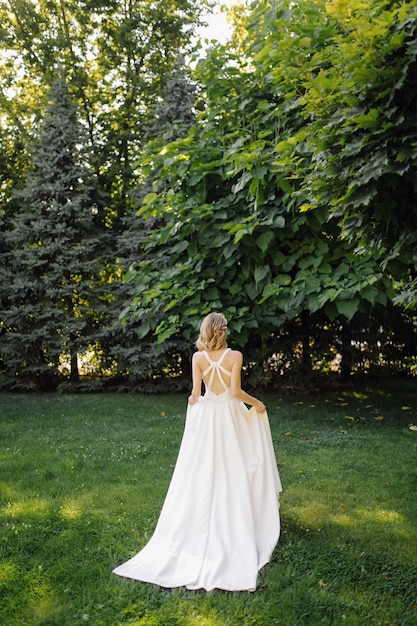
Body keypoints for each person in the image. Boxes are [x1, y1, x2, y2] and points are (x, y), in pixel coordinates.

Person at [113, 312, 282, 592]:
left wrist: (194, 402)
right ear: (223, 331)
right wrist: (258, 403)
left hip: (209, 417)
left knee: (204, 467)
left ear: (205, 331)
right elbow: (237, 391)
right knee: (236, 463)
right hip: (230, 415)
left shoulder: (197, 358)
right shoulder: (235, 356)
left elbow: (195, 393)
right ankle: (238, 512)